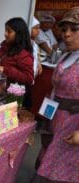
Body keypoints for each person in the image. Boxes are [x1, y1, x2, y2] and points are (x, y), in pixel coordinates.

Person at [34, 6, 79, 183]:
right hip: (55, 120)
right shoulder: (65, 57)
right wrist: (45, 117)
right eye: (64, 29)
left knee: (65, 169)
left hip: (73, 125)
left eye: (74, 29)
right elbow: (55, 90)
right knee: (48, 160)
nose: (67, 34)